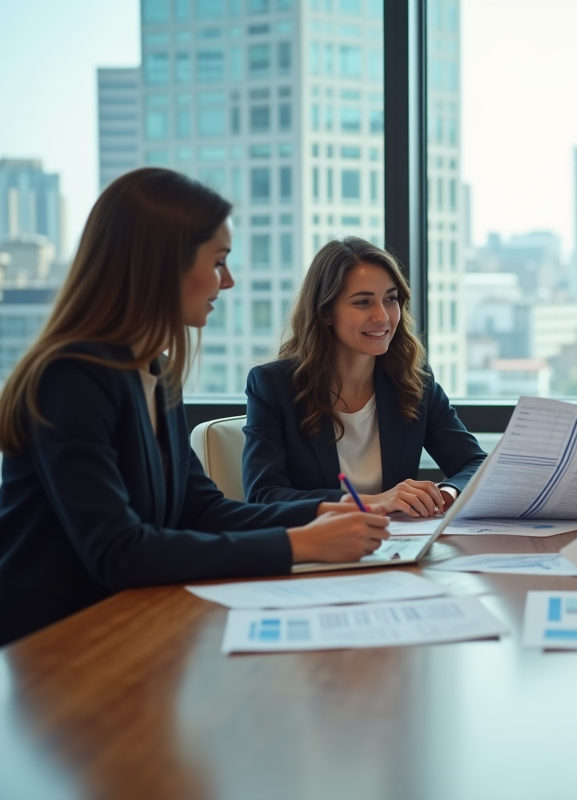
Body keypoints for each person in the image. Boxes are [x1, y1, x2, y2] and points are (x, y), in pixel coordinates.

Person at [0, 169, 390, 646]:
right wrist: (299, 544)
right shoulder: (71, 377)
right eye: (219, 261)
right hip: (53, 643)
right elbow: (119, 552)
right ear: (163, 265)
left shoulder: (154, 370)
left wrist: (322, 513)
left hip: (131, 624)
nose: (228, 281)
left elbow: (199, 509)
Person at [242, 236, 485, 517]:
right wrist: (374, 502)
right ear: (325, 312)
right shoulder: (274, 386)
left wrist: (447, 493)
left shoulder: (414, 382)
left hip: (396, 540)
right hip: (319, 541)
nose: (382, 316)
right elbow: (263, 495)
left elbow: (476, 465)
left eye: (391, 299)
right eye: (363, 302)